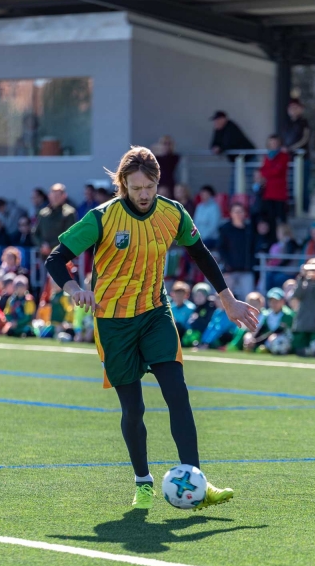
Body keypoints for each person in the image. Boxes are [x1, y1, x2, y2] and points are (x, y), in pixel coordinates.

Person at [45, 145, 258, 510]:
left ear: (159, 182)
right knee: (134, 408)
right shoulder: (102, 218)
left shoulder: (172, 213)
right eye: (135, 187)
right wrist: (74, 288)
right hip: (113, 323)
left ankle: (196, 481)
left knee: (178, 393)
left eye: (149, 187)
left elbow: (200, 252)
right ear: (123, 185)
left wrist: (228, 299)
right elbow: (57, 258)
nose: (143, 194)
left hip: (155, 312)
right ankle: (143, 482)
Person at [291, 262, 315, 355]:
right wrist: (301, 278)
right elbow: (296, 295)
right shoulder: (303, 282)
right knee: (298, 348)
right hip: (303, 321)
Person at [218, 202, 255, 300]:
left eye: (240, 211)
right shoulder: (225, 229)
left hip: (246, 270)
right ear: (231, 213)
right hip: (230, 271)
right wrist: (227, 264)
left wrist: (251, 264)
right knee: (226, 299)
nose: (238, 214)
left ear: (244, 213)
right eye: (236, 212)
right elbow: (221, 248)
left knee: (249, 298)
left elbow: (254, 248)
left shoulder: (249, 229)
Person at [243, 288, 294, 353]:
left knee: (275, 339)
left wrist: (256, 341)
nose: (274, 304)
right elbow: (262, 329)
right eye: (271, 301)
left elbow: (278, 331)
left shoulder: (288, 315)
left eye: (276, 301)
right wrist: (253, 340)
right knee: (250, 337)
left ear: (282, 301)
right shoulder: (267, 314)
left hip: (286, 339)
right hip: (270, 339)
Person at [282, 99, 311, 212]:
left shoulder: (304, 123)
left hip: (303, 159)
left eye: (295, 107)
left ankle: (304, 209)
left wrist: (290, 149)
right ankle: (292, 209)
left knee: (303, 185)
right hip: (289, 160)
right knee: (290, 185)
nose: (293, 110)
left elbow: (305, 139)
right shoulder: (286, 123)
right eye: (291, 108)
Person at [33, 183, 76, 257]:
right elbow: (35, 233)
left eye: (58, 195)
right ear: (49, 196)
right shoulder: (43, 213)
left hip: (62, 255)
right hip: (44, 254)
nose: (55, 198)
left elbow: (69, 235)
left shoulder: (69, 213)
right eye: (53, 195)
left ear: (64, 196)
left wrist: (51, 247)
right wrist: (42, 245)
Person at [259, 134, 289, 225]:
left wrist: (267, 173)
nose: (273, 144)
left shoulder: (283, 156)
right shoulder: (267, 156)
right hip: (268, 192)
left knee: (281, 218)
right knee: (269, 218)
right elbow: (263, 171)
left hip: (279, 192)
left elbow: (277, 171)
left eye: (275, 142)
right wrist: (268, 172)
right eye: (271, 143)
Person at [181, 282, 216, 347]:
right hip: (196, 332)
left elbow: (207, 324)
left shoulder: (211, 307)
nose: (198, 298)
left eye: (201, 295)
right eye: (196, 295)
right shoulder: (197, 308)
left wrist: (197, 319)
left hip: (206, 335)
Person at [193, 185, 222, 250]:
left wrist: (202, 237)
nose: (203, 196)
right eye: (202, 194)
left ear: (210, 195)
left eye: (205, 194)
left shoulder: (215, 207)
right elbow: (195, 223)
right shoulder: (199, 207)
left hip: (211, 238)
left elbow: (213, 226)